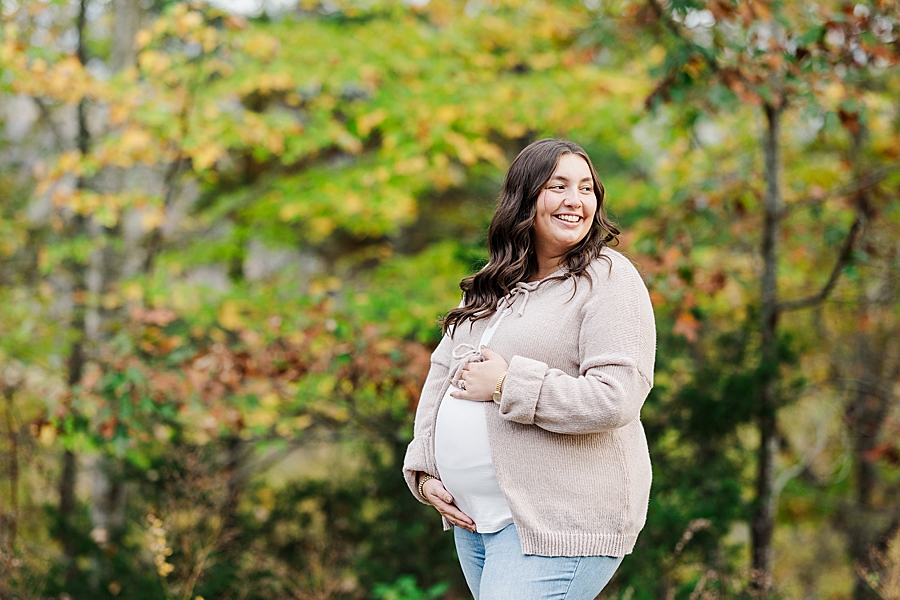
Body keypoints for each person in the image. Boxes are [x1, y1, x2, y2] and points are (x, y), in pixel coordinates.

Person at [403, 138, 656, 599]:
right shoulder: (494, 283)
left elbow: (616, 397)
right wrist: (424, 467)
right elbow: (441, 377)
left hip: (558, 522)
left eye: (586, 188)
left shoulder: (608, 278)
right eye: (558, 186)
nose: (575, 200)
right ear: (525, 197)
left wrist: (505, 384)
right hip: (477, 521)